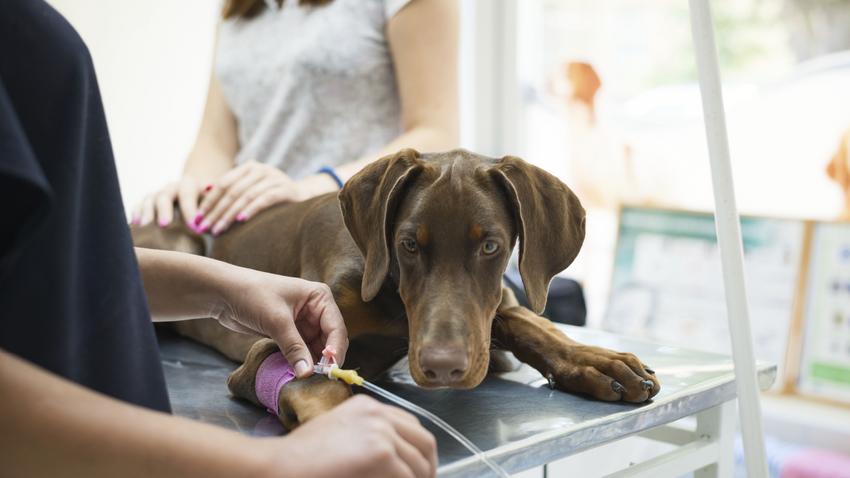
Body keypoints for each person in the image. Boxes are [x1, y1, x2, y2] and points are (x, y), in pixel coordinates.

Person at [0, 2, 436, 477]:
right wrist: (271, 463)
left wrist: (221, 287)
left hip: (314, 245)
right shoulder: (238, 10)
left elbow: (44, 265)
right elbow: (214, 143)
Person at [131, 0, 458, 236]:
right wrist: (194, 192)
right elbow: (216, 140)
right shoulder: (237, 7)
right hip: (256, 233)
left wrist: (310, 187)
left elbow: (435, 132)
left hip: (350, 228)